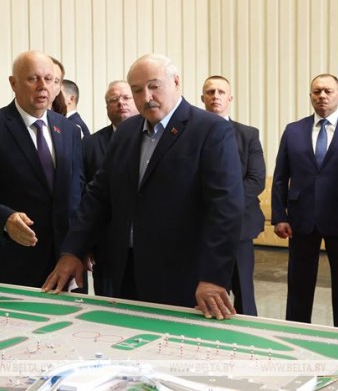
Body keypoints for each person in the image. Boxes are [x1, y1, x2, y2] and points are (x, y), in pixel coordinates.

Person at [43, 53, 245, 320]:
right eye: (137, 90)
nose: (147, 97)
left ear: (176, 82)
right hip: (125, 274)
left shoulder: (211, 130)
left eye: (154, 86)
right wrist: (73, 251)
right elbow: (98, 196)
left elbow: (226, 207)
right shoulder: (126, 132)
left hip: (185, 278)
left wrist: (213, 276)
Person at [0, 50, 83, 288]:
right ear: (13, 83)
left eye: (49, 79)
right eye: (33, 79)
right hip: (10, 257)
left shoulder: (69, 130)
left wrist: (80, 245)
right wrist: (4, 218)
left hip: (62, 258)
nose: (42, 86)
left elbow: (77, 190)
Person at [271, 74, 338, 330]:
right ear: (310, 96)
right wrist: (280, 216)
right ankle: (297, 334)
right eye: (317, 91)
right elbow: (280, 177)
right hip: (301, 220)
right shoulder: (293, 131)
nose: (322, 96)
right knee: (298, 286)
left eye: (328, 91)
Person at [201, 75, 265, 316]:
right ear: (202, 98)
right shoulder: (190, 133)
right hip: (199, 225)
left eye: (221, 92)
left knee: (243, 292)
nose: (215, 96)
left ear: (230, 98)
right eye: (210, 92)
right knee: (201, 289)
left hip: (239, 225)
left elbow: (256, 180)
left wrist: (224, 205)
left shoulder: (248, 135)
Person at [82, 80, 139, 293]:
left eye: (126, 98)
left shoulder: (154, 139)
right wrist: (85, 245)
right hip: (106, 247)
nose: (120, 103)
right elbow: (84, 195)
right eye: (114, 99)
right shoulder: (90, 144)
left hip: (149, 247)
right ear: (107, 107)